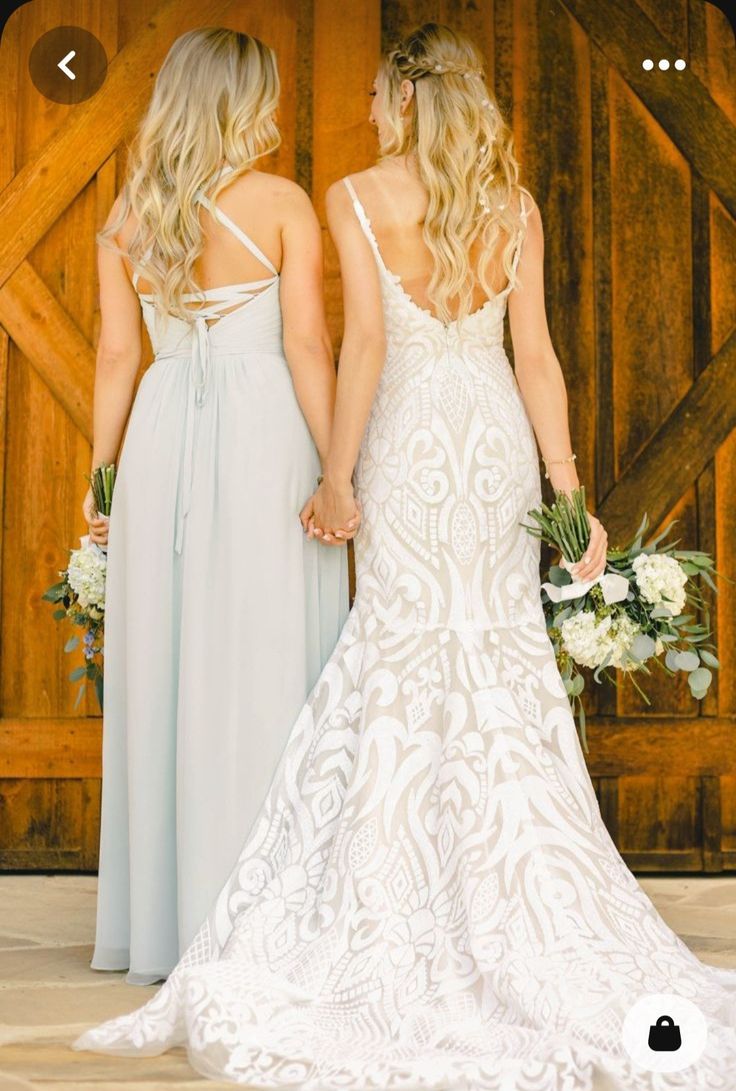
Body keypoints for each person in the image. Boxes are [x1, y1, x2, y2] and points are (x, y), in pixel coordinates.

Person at [73, 22, 736, 1086]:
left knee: (391, 654)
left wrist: (338, 477)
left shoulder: (348, 196)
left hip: (408, 441)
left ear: (409, 101)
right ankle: (511, 889)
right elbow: (537, 357)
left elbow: (362, 345)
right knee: (498, 659)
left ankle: (394, 891)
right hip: (493, 448)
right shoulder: (508, 203)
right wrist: (568, 492)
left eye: (382, 96)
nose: (371, 111)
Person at [84, 27, 351, 987]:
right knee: (270, 652)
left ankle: (172, 919)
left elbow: (118, 358)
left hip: (161, 437)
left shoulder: (130, 212)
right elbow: (309, 347)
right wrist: (339, 470)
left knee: (169, 656)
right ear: (249, 100)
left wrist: (103, 471)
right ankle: (265, 911)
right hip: (263, 434)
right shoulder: (280, 204)